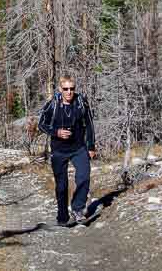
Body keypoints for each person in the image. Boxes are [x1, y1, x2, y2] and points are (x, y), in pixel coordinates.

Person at [37, 75, 96, 226]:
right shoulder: (53, 104)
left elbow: (89, 124)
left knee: (84, 176)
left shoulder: (81, 102)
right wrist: (56, 132)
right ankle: (62, 216)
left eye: (72, 89)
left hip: (78, 147)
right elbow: (41, 124)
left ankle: (77, 209)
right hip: (59, 150)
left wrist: (91, 146)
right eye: (66, 89)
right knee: (61, 186)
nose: (69, 92)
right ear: (60, 89)